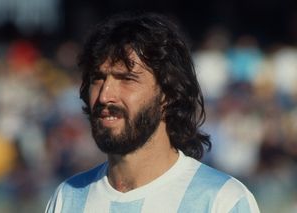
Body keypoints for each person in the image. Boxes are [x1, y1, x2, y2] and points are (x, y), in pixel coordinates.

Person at [46, 12, 260, 213]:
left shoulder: (222, 201)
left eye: (127, 79)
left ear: (168, 93)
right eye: (98, 79)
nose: (104, 96)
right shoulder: (68, 198)